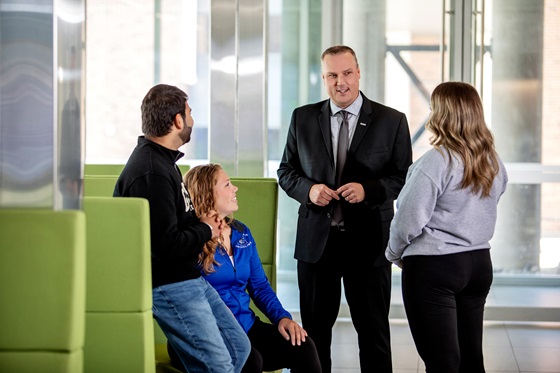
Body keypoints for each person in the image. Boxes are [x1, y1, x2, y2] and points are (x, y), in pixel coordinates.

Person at [277, 45, 413, 372]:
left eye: (347, 73)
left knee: (373, 335)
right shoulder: (303, 117)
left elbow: (404, 177)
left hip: (368, 245)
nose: (341, 82)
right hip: (316, 245)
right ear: (323, 78)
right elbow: (286, 171)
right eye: (333, 75)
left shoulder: (391, 121)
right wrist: (309, 190)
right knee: (314, 336)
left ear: (359, 72)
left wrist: (369, 189)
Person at [114, 84, 250, 373]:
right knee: (218, 366)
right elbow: (166, 245)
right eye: (189, 113)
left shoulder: (165, 164)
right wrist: (205, 230)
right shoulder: (151, 172)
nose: (191, 120)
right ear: (177, 121)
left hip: (188, 278)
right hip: (169, 285)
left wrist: (204, 223)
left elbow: (175, 222)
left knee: (239, 347)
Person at [385, 82, 508, 373]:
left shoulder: (436, 162)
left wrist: (393, 253)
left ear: (441, 115)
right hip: (478, 265)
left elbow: (409, 219)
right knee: (471, 361)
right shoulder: (492, 161)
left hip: (434, 268)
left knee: (442, 363)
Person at [179, 163, 322, 373]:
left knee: (303, 346)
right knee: (250, 359)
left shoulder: (241, 232)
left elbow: (259, 286)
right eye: (227, 184)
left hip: (245, 326)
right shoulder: (189, 239)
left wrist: (282, 317)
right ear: (207, 193)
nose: (235, 188)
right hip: (206, 335)